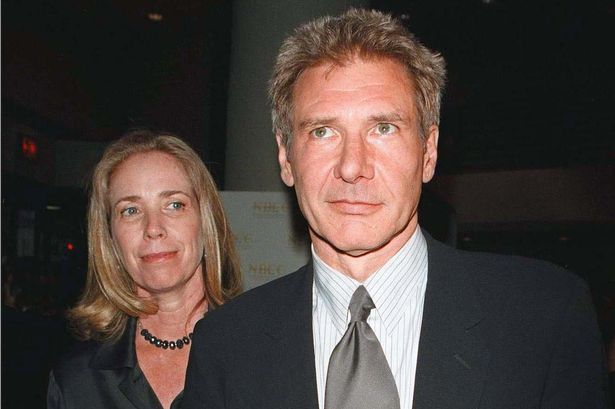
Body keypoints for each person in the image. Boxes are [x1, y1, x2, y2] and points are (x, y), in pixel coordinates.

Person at [182, 8, 610, 409]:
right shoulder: (226, 346)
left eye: (383, 128)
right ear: (285, 157)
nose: (352, 166)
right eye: (323, 131)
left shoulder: (544, 318)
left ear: (429, 152)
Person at [47, 130, 242, 409]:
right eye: (131, 210)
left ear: (206, 222)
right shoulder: (76, 381)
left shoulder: (261, 353)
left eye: (174, 205)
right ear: (110, 239)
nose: (153, 228)